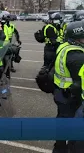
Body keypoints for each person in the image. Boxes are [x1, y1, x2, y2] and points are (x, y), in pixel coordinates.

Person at [52, 20, 84, 153]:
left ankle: (59, 145)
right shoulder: (78, 56)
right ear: (78, 38)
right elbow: (80, 83)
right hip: (71, 96)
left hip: (60, 91)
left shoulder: (65, 46)